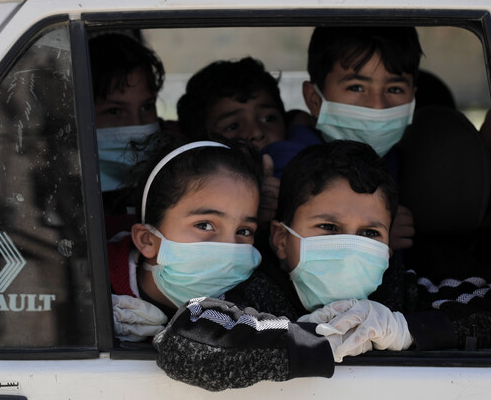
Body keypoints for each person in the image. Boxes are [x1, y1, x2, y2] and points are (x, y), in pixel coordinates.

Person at [154, 140, 491, 391]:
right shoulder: (249, 294)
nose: (350, 246)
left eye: (370, 233)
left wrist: (404, 329)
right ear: (281, 240)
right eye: (328, 228)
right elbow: (190, 339)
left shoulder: (405, 290)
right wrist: (313, 341)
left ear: (389, 247)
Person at [108, 138, 268, 342]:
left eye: (244, 231)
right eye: (204, 225)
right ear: (147, 240)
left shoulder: (258, 300)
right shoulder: (87, 287)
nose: (229, 246)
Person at [302, 26, 422, 252]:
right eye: (356, 87)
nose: (377, 106)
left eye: (394, 89)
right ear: (314, 100)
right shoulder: (287, 165)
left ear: (412, 100)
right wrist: (372, 237)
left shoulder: (411, 169)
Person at [176, 57, 322, 224]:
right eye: (233, 126)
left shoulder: (305, 158)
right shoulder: (192, 192)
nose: (257, 132)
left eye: (269, 119)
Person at [89, 32, 168, 236]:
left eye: (147, 107)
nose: (137, 126)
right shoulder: (56, 185)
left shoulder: (179, 163)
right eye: (114, 111)